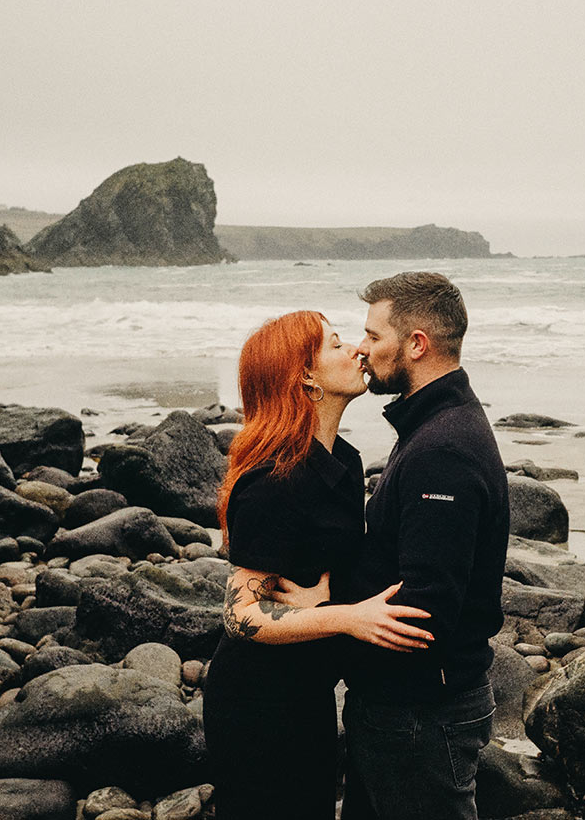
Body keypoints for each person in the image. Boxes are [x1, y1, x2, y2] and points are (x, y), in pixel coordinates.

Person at [202, 310, 436, 820]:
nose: (357, 349)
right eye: (336, 345)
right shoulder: (273, 481)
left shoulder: (343, 462)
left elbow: (334, 566)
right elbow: (241, 614)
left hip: (307, 691)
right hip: (256, 704)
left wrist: (331, 601)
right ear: (305, 375)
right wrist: (347, 617)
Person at [332, 272, 510, 819]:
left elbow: (424, 610)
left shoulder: (443, 448)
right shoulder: (435, 425)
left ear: (416, 344)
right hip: (408, 707)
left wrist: (320, 623)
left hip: (420, 714)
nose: (361, 348)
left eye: (373, 335)